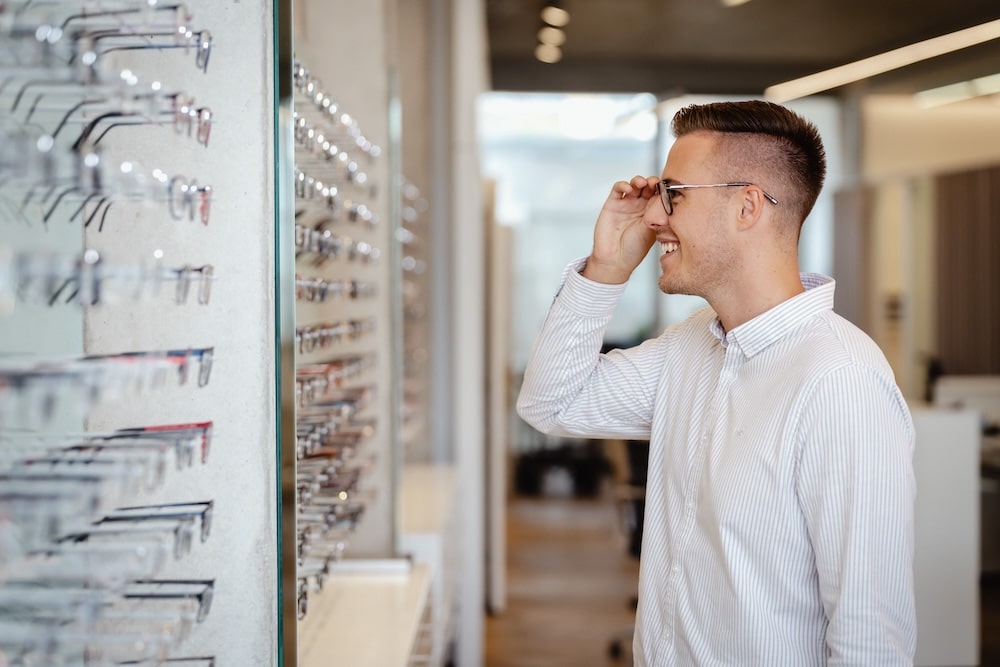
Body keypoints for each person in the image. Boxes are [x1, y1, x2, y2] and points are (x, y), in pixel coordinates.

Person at [516, 100, 916, 666]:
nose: (655, 217)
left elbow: (871, 638)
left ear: (747, 205)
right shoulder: (692, 345)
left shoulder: (839, 381)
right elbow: (551, 404)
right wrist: (606, 268)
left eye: (673, 194)